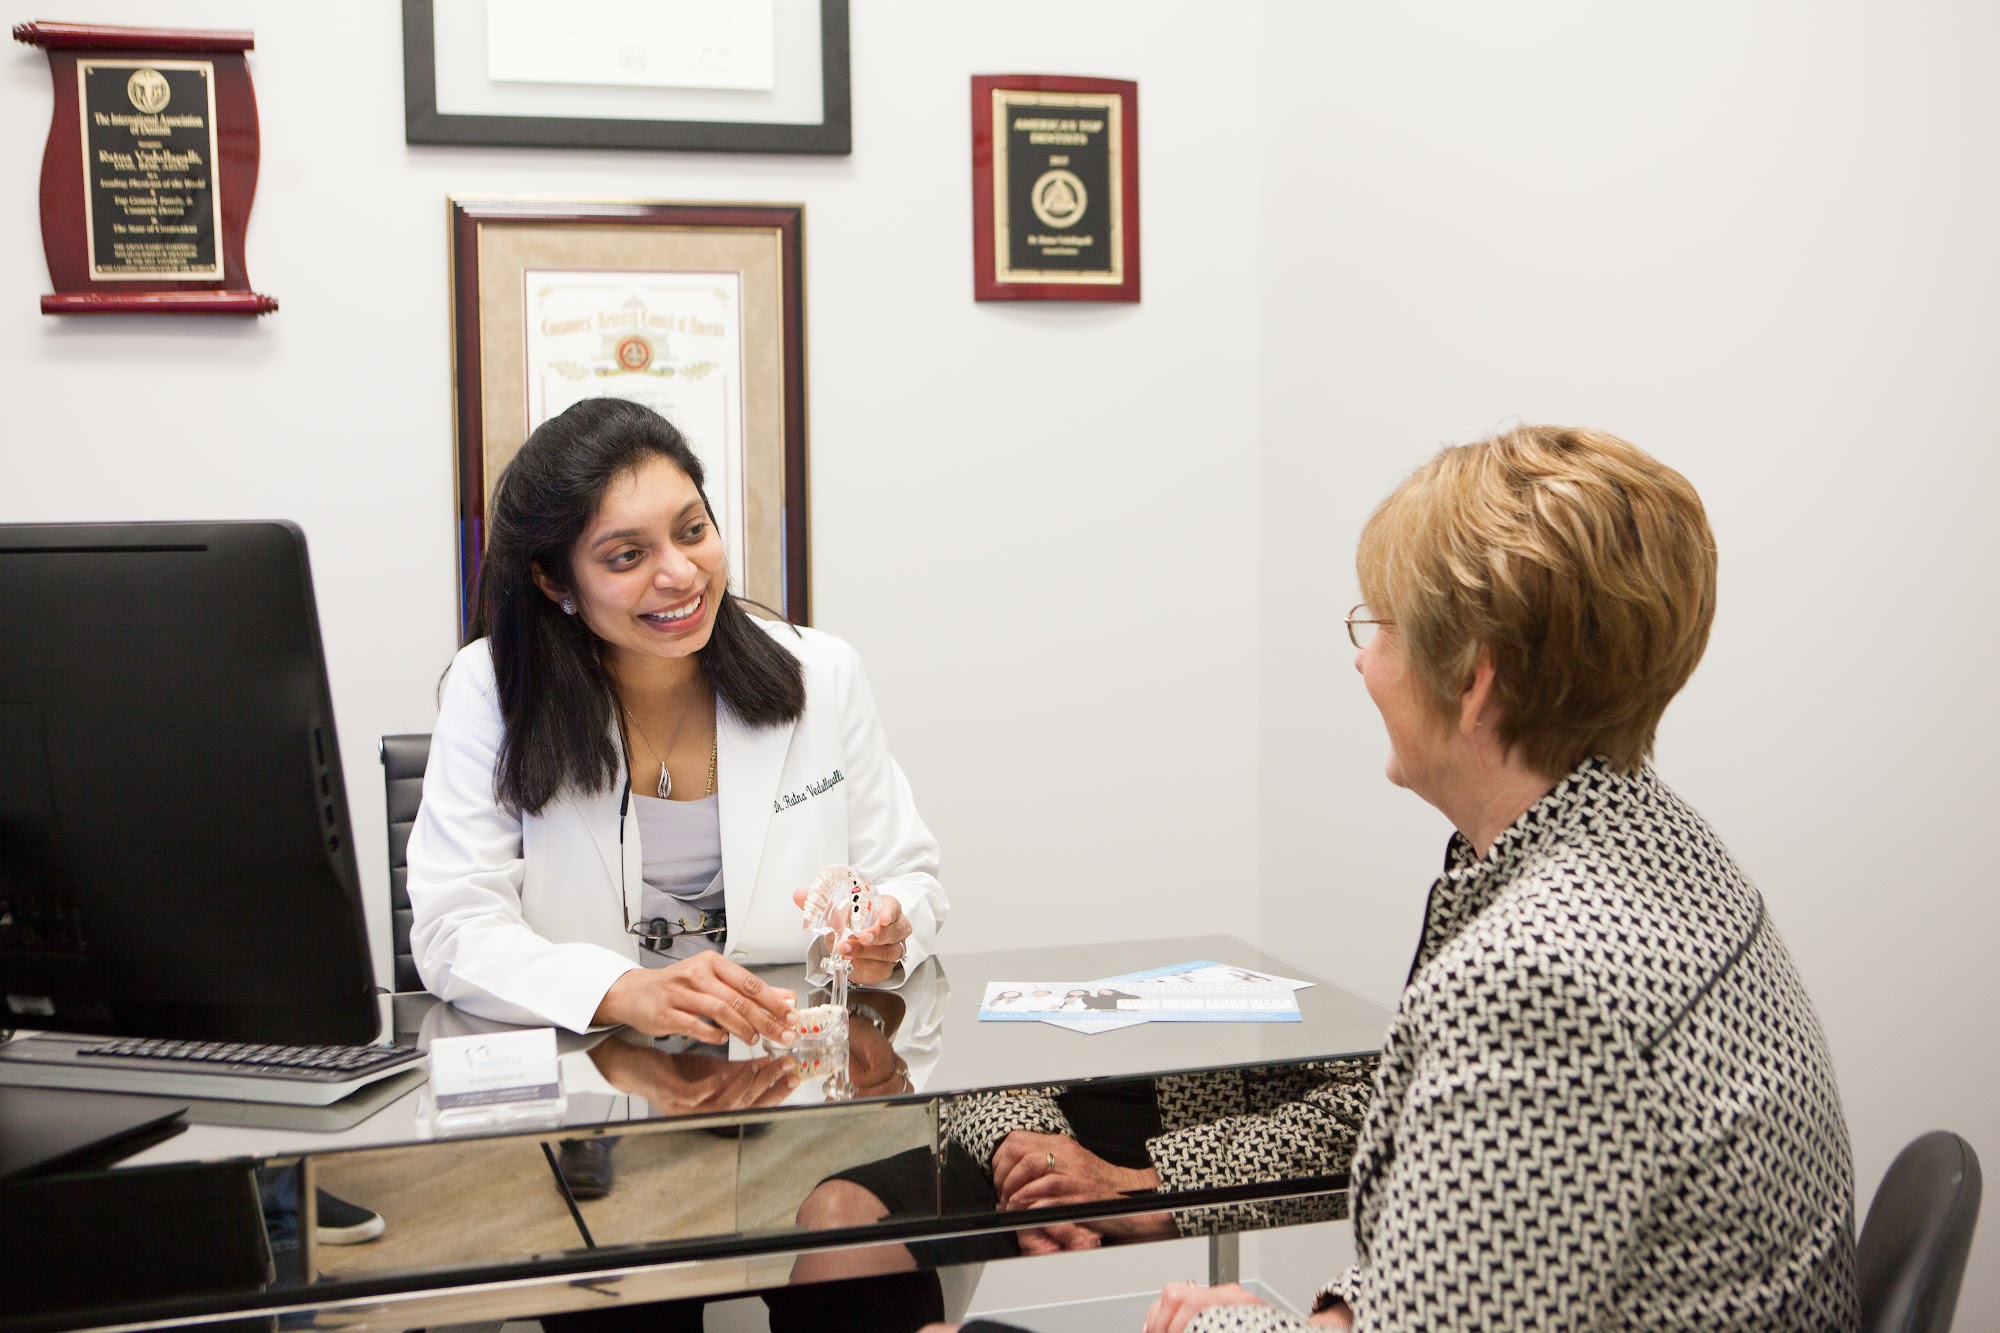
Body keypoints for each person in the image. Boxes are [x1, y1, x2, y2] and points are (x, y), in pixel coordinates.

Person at [947, 425, 1860, 1333]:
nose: (1362, 659)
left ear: (1473, 680)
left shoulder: (1539, 976)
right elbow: (1490, 1242)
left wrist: (1209, 1323)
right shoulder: (1663, 848)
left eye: (1379, 625)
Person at [405, 397, 947, 1248]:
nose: (681, 574)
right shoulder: (494, 689)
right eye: (628, 555)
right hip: (592, 1105)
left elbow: (909, 874)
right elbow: (453, 926)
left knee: (859, 1265)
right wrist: (623, 989)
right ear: (555, 581)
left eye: (693, 531)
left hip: (802, 1088)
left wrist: (888, 926)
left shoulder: (823, 674)